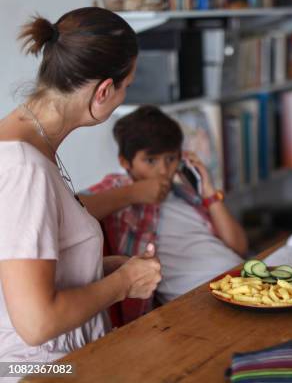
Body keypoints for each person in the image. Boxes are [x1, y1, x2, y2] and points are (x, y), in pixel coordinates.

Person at [0, 7, 162, 364]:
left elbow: (20, 271)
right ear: (104, 90)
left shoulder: (26, 147)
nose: (125, 97)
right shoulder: (23, 168)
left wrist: (98, 268)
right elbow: (36, 323)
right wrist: (125, 285)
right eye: (127, 87)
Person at [79, 106, 247, 322]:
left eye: (171, 159)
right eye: (151, 161)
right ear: (125, 162)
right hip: (203, 300)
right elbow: (69, 208)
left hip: (242, 277)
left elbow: (239, 247)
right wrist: (133, 193)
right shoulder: (121, 185)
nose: (163, 171)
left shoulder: (185, 192)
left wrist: (209, 192)